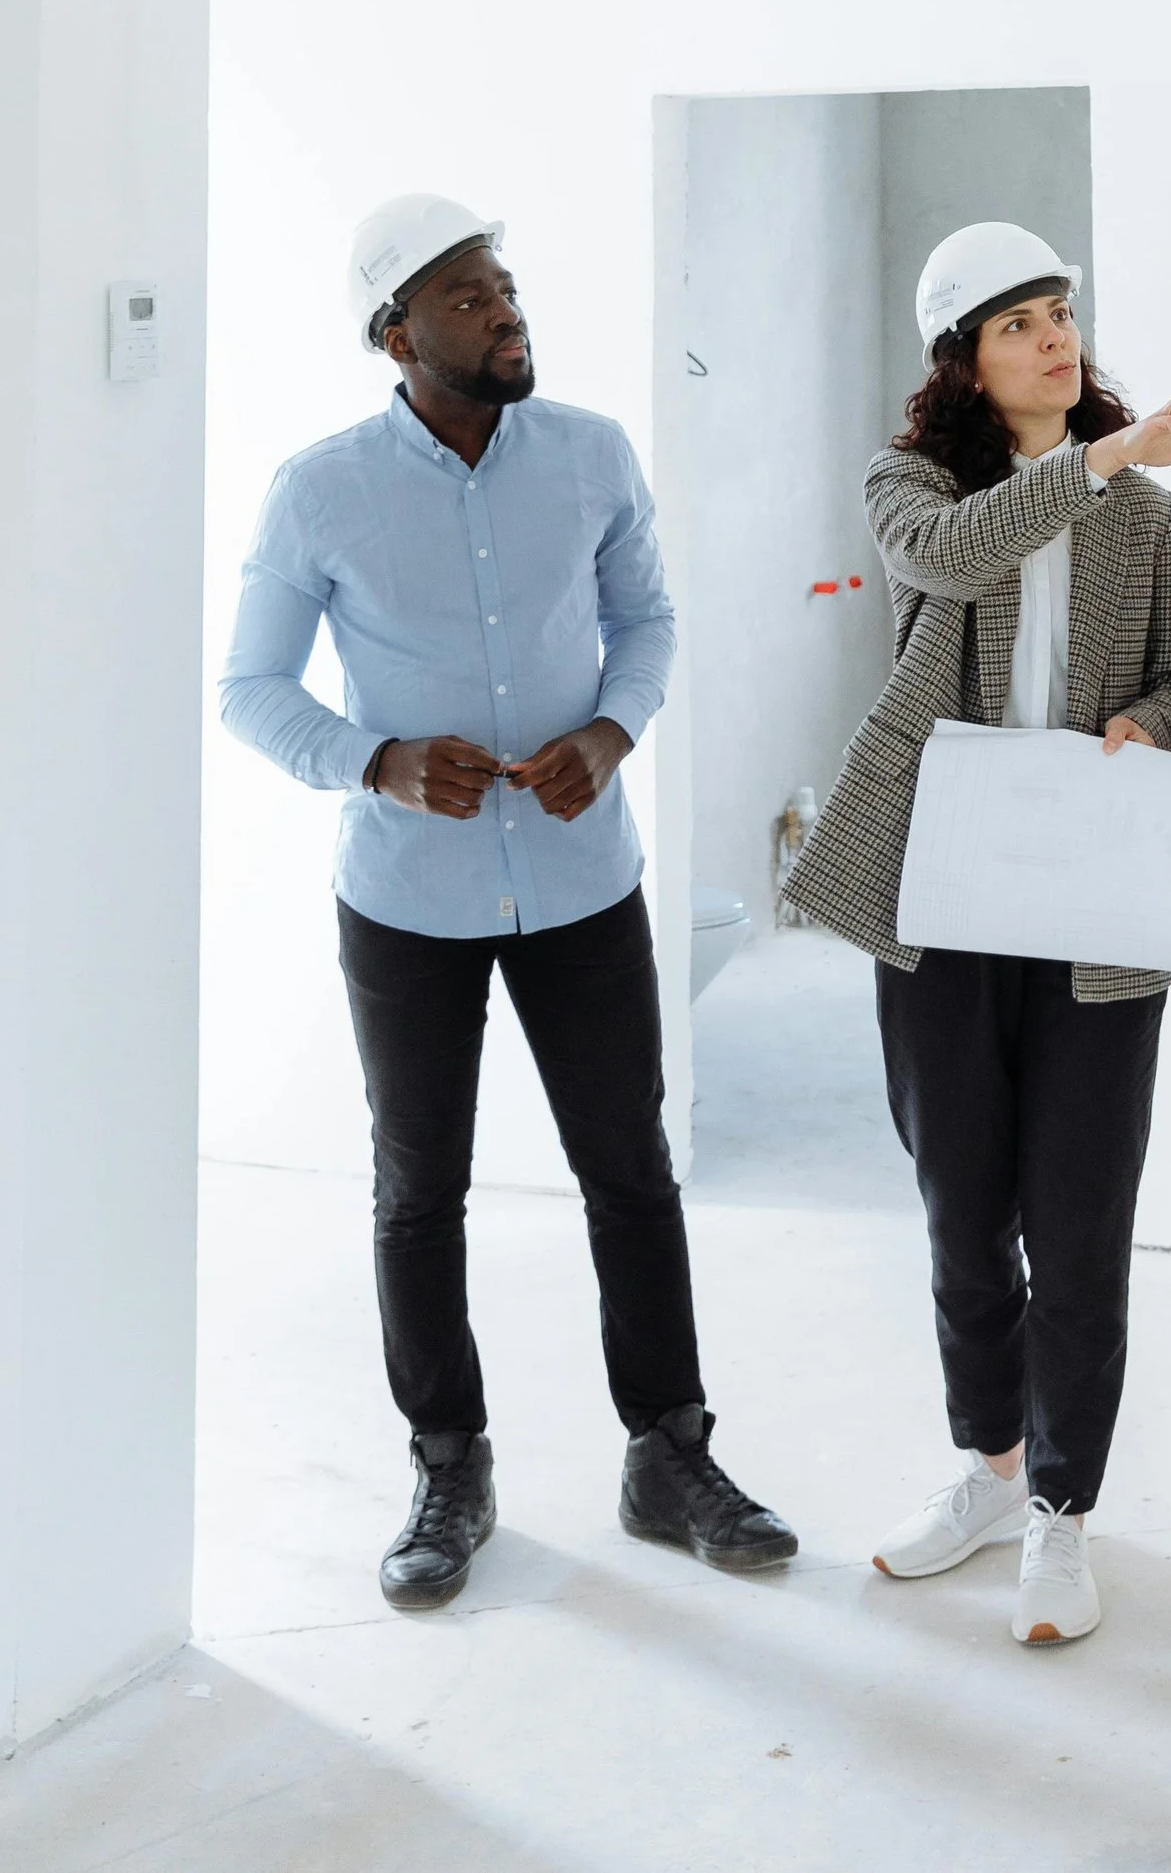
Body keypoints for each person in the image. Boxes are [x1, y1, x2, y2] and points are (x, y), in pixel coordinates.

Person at [220, 191, 795, 1609]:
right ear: (395, 331)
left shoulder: (592, 454)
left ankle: (671, 1451)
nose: (504, 310)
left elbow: (647, 621)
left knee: (631, 1169)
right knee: (419, 1191)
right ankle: (448, 1465)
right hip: (408, 901)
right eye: (467, 297)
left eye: (506, 284)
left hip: (583, 883)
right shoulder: (319, 488)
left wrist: (611, 732)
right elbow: (249, 688)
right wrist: (377, 761)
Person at [787, 219, 1171, 1649]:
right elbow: (954, 558)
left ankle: (1060, 1511)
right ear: (966, 360)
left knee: (1081, 1222)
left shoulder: (1142, 513)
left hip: (1094, 898)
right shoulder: (912, 483)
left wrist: (1144, 723)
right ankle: (985, 1467)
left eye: (1063, 313)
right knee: (963, 1211)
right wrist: (1096, 455)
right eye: (1021, 320)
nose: (1056, 337)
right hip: (944, 895)